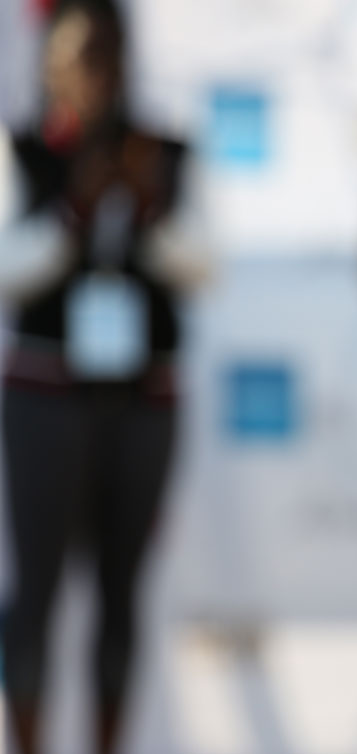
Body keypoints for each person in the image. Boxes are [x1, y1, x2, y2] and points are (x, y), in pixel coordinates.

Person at [0, 1, 203, 752]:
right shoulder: (23, 148)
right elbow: (8, 267)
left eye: (107, 57)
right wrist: (72, 215)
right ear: (53, 63)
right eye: (80, 58)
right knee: (36, 593)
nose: (94, 76)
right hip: (44, 398)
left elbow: (205, 261)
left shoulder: (164, 151)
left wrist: (145, 214)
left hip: (143, 403)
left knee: (121, 594)